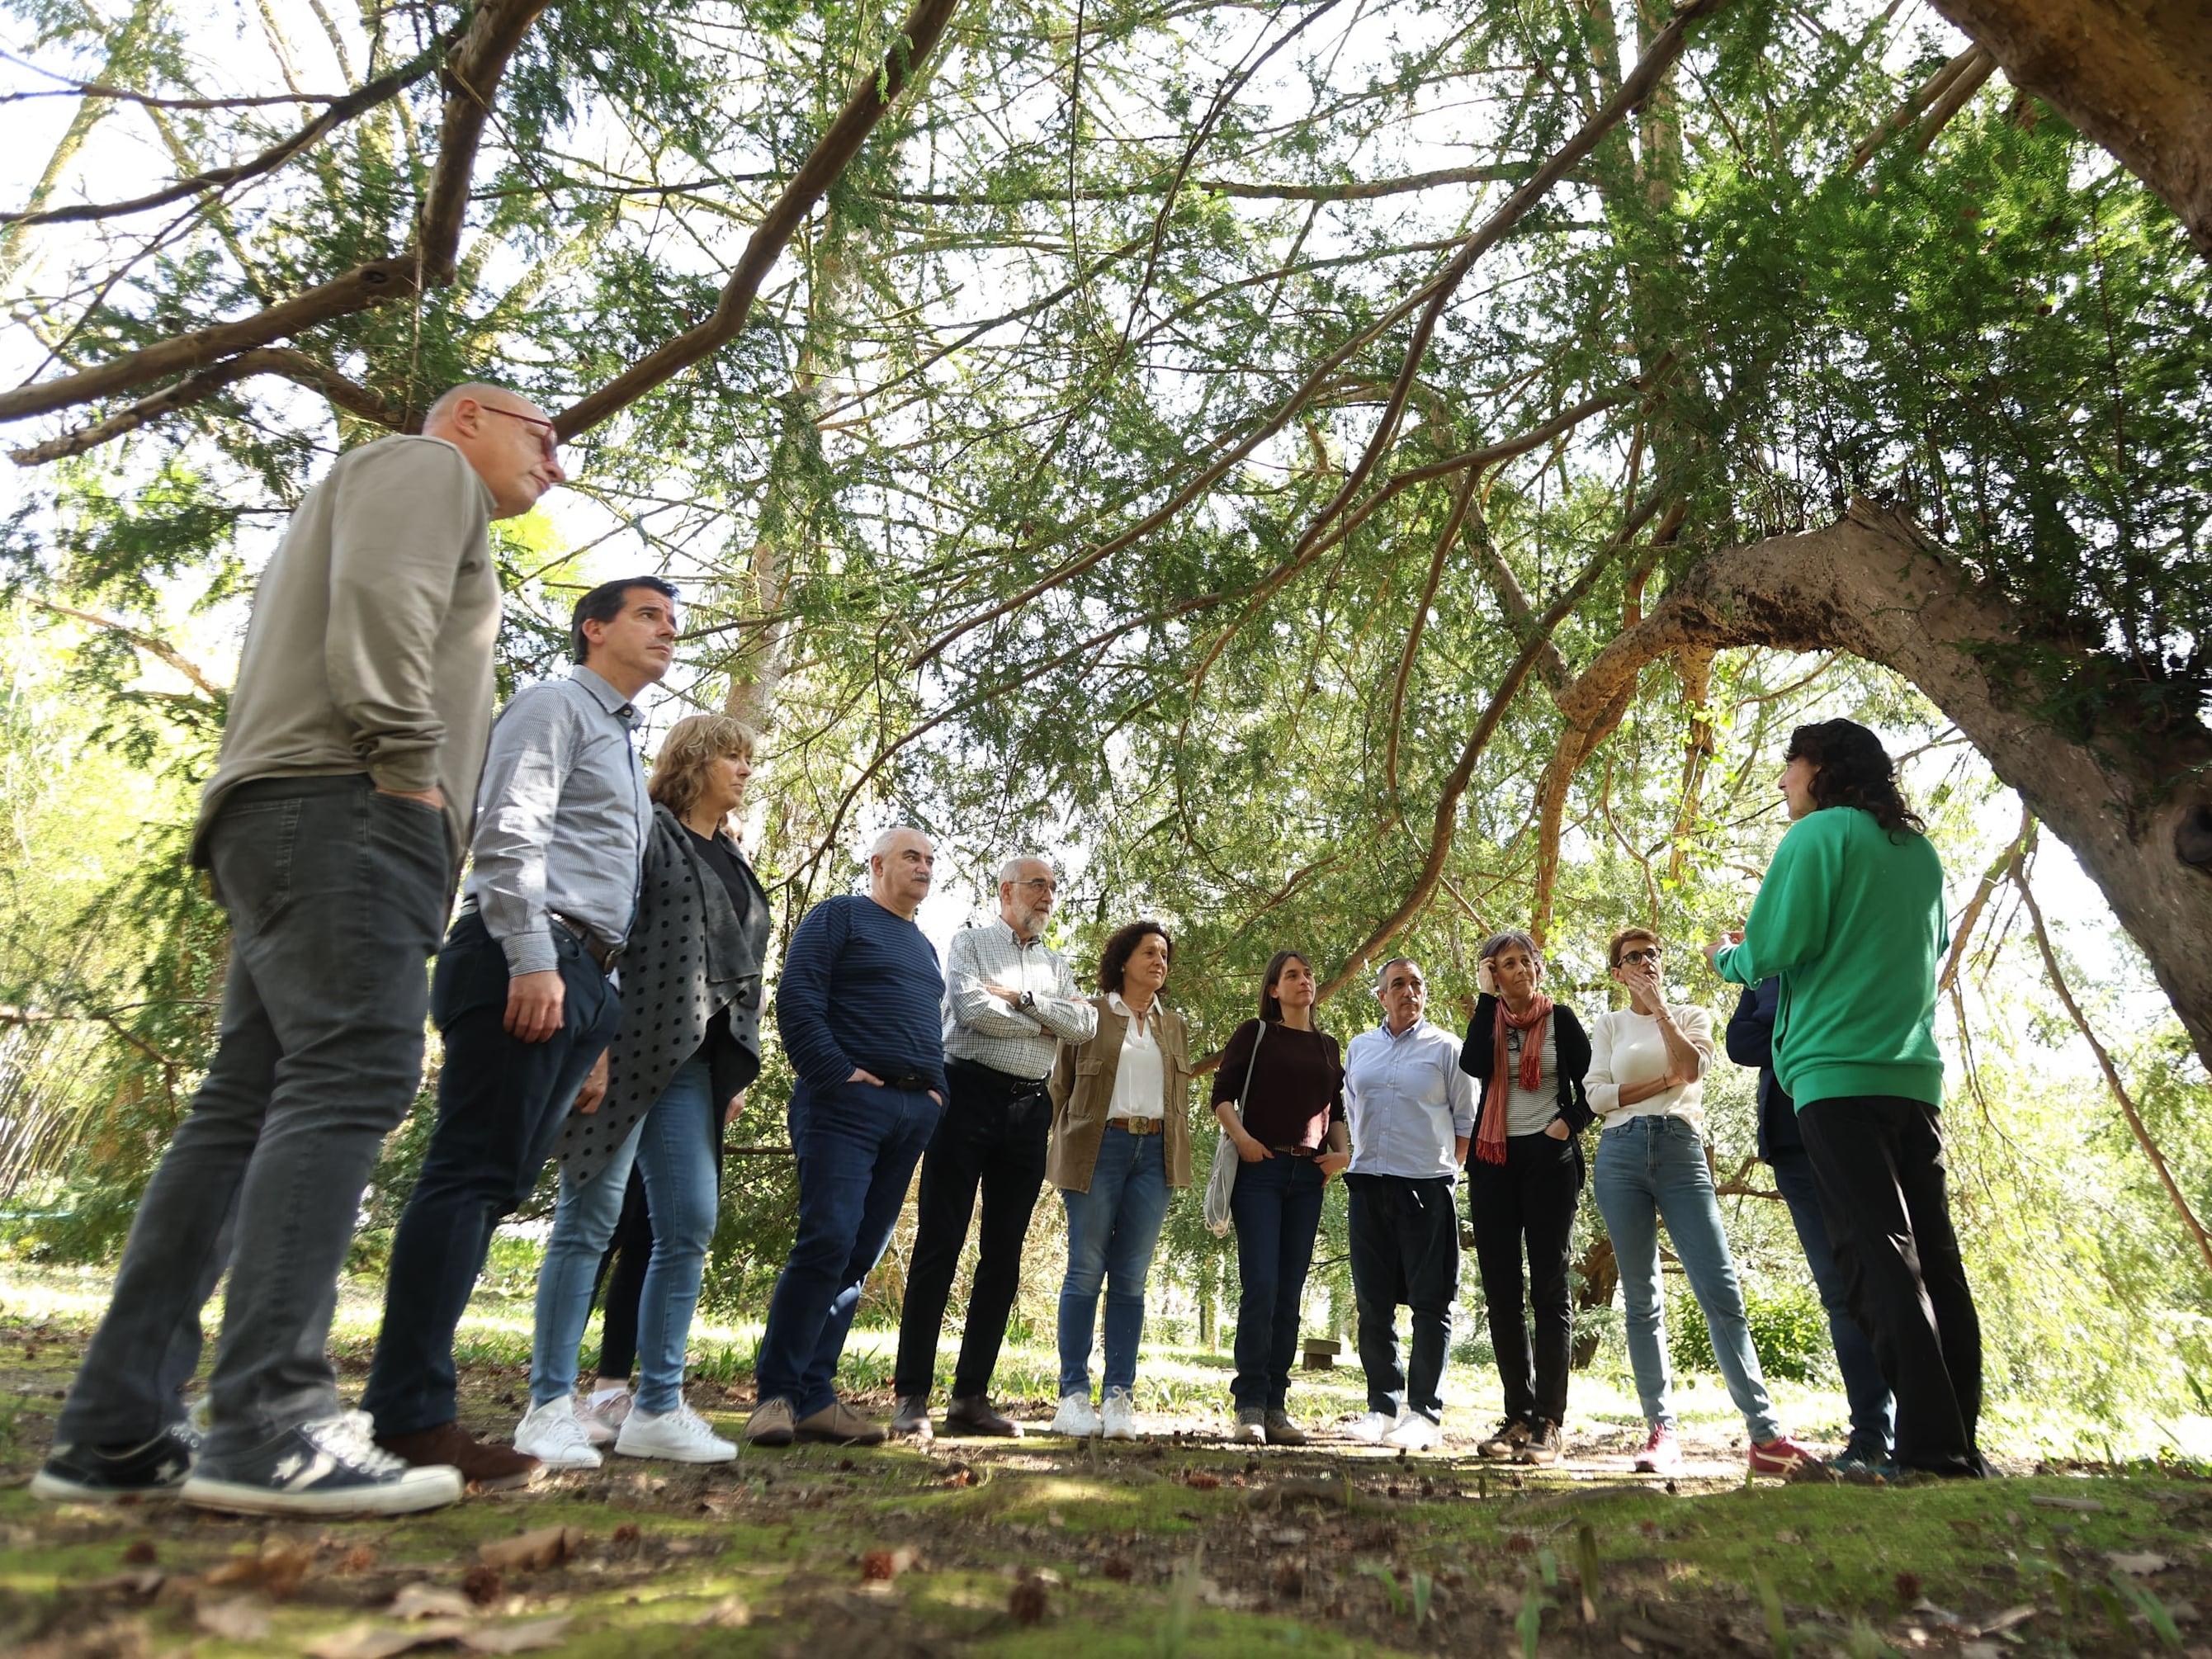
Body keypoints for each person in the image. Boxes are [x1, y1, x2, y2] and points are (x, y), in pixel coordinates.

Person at [35, 382, 561, 1517]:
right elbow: (385, 601)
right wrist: (410, 768)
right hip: (352, 807)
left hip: (299, 810)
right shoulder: (426, 471)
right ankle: (270, 1419)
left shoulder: (386, 485)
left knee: (246, 1101)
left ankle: (119, 1424)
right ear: (467, 414)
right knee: (352, 1076)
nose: (554, 463)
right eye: (541, 432)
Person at [362, 577, 676, 1486]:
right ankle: (408, 1417)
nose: (666, 631)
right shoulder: (553, 704)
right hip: (521, 958)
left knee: (492, 1186)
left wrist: (598, 1026)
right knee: (465, 1177)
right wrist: (534, 959)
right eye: (647, 615)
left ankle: (414, 1411)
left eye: (672, 621)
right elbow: (508, 831)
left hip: (581, 980)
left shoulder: (619, 739)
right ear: (594, 627)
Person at [1709, 720, 1981, 1478]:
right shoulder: (1918, 853)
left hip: (1834, 1076)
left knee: (1877, 1260)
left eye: (1789, 765)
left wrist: (1725, 957)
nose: (1782, 781)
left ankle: (1928, 1451)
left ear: (1821, 767)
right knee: (1935, 1257)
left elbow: (1770, 950)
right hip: (1913, 1080)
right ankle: (1959, 1441)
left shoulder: (1816, 836)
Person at [517, 713, 770, 1468]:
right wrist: (590, 1048)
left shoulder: (730, 853)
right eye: (732, 756)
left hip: (694, 1064)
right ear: (695, 760)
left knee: (688, 1220)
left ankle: (656, 1406)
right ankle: (548, 1405)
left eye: (746, 759)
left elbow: (737, 969)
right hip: (625, 1049)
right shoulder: (648, 832)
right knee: (588, 1219)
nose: (744, 770)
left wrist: (729, 1070)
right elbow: (609, 932)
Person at [1587, 927, 1820, 1479]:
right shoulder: (1610, 1025)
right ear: (1617, 972)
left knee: (1720, 1290)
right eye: (1633, 957)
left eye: (1653, 955)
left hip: (1678, 1148)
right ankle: (1661, 1432)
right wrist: (1654, 1084)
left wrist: (1661, 1011)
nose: (1645, 962)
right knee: (1642, 1298)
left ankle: (1764, 1435)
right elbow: (1597, 1097)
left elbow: (1690, 1071)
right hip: (1619, 1155)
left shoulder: (1690, 1015)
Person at [744, 828, 947, 1448]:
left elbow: (930, 1027)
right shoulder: (839, 916)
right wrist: (837, 1073)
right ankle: (775, 1396)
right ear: (878, 864)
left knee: (859, 1254)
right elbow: (797, 998)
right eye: (912, 856)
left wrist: (936, 1095)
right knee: (827, 1240)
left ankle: (816, 1396)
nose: (924, 867)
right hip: (844, 1107)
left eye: (931, 860)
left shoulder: (925, 947)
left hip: (912, 1112)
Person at [891, 857, 1096, 1440]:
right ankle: (911, 1397)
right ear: (1006, 890)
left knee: (1003, 1257)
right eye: (1038, 885)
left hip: (1031, 1110)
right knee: (940, 1244)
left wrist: (1025, 1002)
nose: (1048, 895)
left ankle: (970, 1398)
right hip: (967, 1097)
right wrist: (1047, 1019)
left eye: (1054, 886)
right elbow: (973, 1011)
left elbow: (1084, 1027)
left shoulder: (1056, 963)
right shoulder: (970, 942)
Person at [1727, 977, 1895, 1472]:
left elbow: (1844, 1025)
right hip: (1789, 1146)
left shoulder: (1837, 953)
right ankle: (1869, 1435)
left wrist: (1780, 1036)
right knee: (1839, 1294)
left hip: (1851, 1129)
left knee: (1885, 1280)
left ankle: (1916, 1432)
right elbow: (1741, 1043)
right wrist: (1797, 1033)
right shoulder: (1761, 974)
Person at [1046, 920, 1193, 1440]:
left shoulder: (1172, 1025)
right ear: (1124, 960)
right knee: (1086, 1269)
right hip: (1097, 1149)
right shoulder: (1088, 1014)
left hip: (1155, 1154)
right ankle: (1073, 1397)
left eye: (1165, 956)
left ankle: (1119, 1398)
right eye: (1150, 952)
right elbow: (1060, 1085)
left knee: (1131, 1277)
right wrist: (1081, 1134)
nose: (1160, 962)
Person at [1457, 930, 1593, 1467]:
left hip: (1549, 1163)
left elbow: (1596, 1084)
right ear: (1492, 973)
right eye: (1505, 965)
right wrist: (1486, 999)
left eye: (1524, 962)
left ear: (1537, 967)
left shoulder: (1562, 1021)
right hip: (1493, 1163)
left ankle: (1549, 1421)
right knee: (1502, 1292)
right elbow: (1472, 1064)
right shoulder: (1488, 1019)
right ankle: (1517, 1415)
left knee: (1549, 1290)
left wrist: (1567, 1125)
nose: (1518, 971)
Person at [1212, 950, 1349, 1446]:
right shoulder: (1256, 1034)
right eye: (1291, 975)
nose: (1303, 981)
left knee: (1290, 1293)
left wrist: (1343, 1153)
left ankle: (1275, 1404)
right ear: (1273, 989)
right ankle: (1248, 1402)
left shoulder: (1329, 1046)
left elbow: (1334, 1109)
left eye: (1308, 974)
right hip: (1261, 1172)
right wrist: (1245, 1140)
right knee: (1262, 1286)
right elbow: (1222, 1095)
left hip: (1308, 1178)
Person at [1340, 957, 1473, 1452]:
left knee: (1430, 1303)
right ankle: (1383, 1407)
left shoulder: (1448, 1049)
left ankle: (1424, 1413)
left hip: (1427, 1188)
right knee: (1373, 1303)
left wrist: (1441, 1171)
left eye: (1416, 984)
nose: (1408, 992)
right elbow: (1354, 1110)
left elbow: (1466, 1123)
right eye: (1398, 985)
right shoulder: (1360, 1048)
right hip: (1370, 1185)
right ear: (1381, 996)